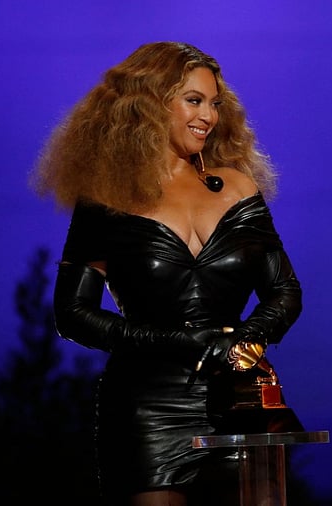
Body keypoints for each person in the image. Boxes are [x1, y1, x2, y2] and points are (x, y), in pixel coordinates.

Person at [30, 41, 303, 506]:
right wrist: (183, 342)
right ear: (149, 104)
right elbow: (72, 313)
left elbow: (284, 291)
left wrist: (245, 340)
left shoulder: (238, 185)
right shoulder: (106, 196)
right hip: (147, 408)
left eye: (214, 103)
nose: (208, 116)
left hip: (240, 397)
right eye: (193, 100)